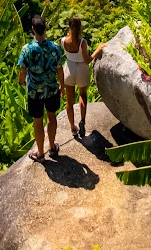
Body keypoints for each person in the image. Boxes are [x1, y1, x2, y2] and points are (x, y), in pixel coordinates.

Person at [16, 14, 65, 161]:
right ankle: (52, 147)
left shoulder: (27, 49)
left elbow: (22, 72)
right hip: (51, 89)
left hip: (34, 91)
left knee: (37, 121)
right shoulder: (54, 47)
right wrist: (62, 85)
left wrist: (22, 82)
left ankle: (40, 153)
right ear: (45, 28)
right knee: (51, 116)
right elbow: (59, 69)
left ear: (33, 29)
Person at [60, 16, 93, 139]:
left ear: (69, 26)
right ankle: (82, 120)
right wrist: (97, 50)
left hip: (69, 69)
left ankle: (73, 128)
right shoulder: (83, 42)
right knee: (82, 95)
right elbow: (87, 60)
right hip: (81, 69)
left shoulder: (63, 41)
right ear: (80, 27)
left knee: (69, 100)